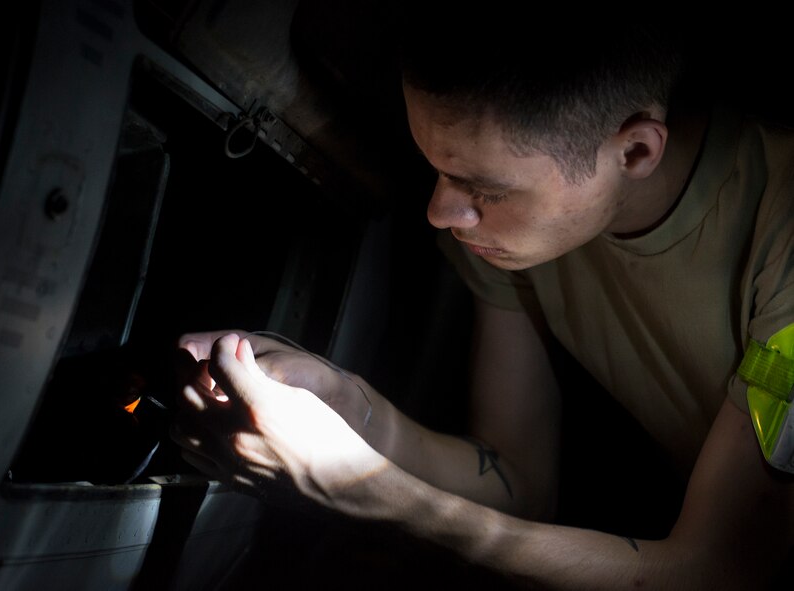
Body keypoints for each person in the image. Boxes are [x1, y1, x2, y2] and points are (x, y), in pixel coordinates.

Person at [169, 9, 793, 589]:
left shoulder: (783, 227)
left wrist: (359, 490)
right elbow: (518, 482)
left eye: (484, 189)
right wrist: (348, 405)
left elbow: (720, 570)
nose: (441, 212)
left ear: (635, 150)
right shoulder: (516, 237)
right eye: (439, 171)